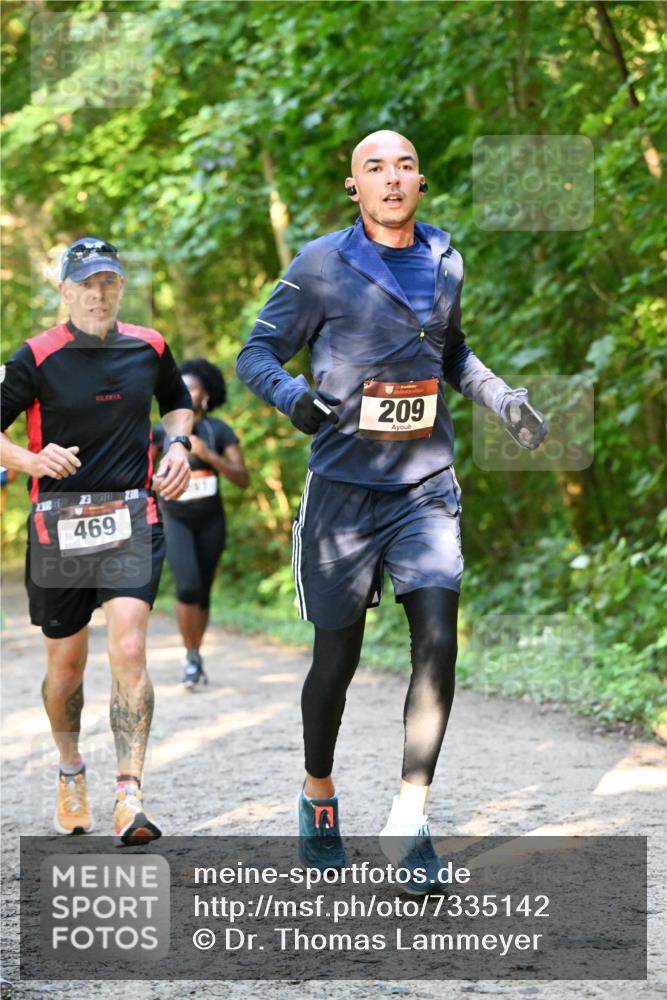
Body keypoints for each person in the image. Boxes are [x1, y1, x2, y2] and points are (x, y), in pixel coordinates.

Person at [236, 131, 547, 888]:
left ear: (419, 179)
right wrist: (292, 398)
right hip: (342, 495)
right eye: (374, 167)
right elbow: (256, 353)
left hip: (424, 485)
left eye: (404, 164)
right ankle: (318, 798)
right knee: (334, 661)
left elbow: (451, 356)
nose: (391, 177)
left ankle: (409, 818)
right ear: (354, 187)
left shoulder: (445, 260)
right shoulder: (319, 265)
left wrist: (500, 398)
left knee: (437, 638)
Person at [0, 237, 193, 844]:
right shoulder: (35, 356)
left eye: (108, 281)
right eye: (85, 282)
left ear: (120, 287)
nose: (98, 293)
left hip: (133, 516)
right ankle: (70, 768)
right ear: (63, 290)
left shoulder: (149, 345)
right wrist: (31, 461)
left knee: (131, 647)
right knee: (66, 667)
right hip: (58, 527)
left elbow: (177, 401)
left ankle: (129, 795)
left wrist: (180, 445)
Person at [152, 358, 248, 688]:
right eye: (181, 386)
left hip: (210, 520)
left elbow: (242, 479)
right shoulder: (159, 433)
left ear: (206, 393)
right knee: (188, 586)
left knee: (203, 593)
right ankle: (190, 655)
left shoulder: (219, 430)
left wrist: (210, 456)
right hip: (173, 518)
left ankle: (195, 654)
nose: (186, 392)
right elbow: (140, 476)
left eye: (192, 387)